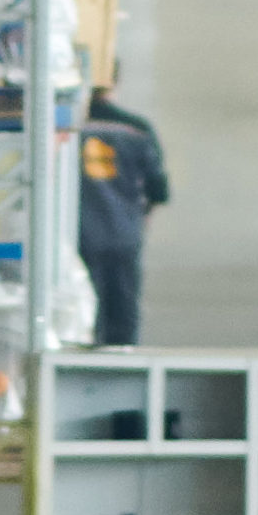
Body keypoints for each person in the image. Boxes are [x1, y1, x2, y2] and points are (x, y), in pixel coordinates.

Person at [76, 83, 169, 349]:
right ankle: (120, 365)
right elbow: (159, 190)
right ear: (114, 83)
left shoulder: (64, 128)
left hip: (77, 232)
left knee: (82, 306)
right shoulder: (137, 128)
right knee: (122, 307)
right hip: (124, 233)